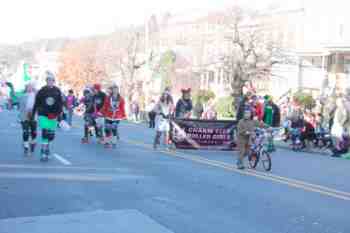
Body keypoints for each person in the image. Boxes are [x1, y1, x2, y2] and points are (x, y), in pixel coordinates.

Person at [32, 71, 63, 162]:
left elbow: (60, 103)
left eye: (51, 80)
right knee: (45, 133)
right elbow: (37, 103)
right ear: (46, 81)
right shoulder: (42, 91)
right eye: (48, 80)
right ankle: (43, 152)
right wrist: (34, 114)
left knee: (51, 136)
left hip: (53, 115)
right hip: (43, 114)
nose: (50, 81)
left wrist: (59, 114)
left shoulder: (57, 90)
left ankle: (47, 148)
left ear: (54, 81)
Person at [18, 82, 37, 156]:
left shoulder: (36, 96)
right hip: (24, 116)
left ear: (32, 88)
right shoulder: (22, 96)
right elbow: (18, 105)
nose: (29, 88)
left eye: (31, 87)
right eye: (28, 87)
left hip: (33, 116)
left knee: (34, 132)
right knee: (25, 132)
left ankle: (32, 142)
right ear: (26, 88)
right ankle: (26, 146)